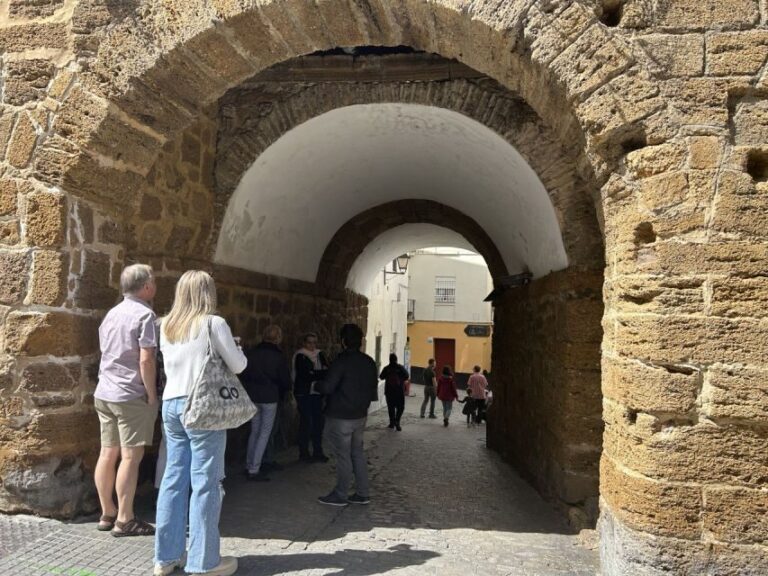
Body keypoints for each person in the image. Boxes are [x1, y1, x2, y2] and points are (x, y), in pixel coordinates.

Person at [153, 270, 246, 576]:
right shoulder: (213, 323)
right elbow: (238, 365)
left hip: (171, 404)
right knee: (206, 482)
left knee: (173, 479)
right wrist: (238, 347)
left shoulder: (166, 325)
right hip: (202, 405)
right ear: (209, 293)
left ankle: (166, 558)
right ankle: (203, 561)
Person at [93, 263, 159, 537]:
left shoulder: (112, 313)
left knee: (107, 453)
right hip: (131, 394)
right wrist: (151, 394)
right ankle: (125, 518)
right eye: (153, 281)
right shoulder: (145, 315)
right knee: (131, 456)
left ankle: (107, 512)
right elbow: (146, 359)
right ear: (146, 286)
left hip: (105, 392)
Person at [316, 324, 378, 507]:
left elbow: (328, 387)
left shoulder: (341, 361)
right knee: (357, 453)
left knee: (343, 455)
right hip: (360, 415)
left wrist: (316, 385)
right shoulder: (369, 361)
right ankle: (363, 492)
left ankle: (340, 494)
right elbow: (372, 387)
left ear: (343, 341)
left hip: (340, 415)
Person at [241, 324, 291, 481]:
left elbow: (244, 373)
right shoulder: (278, 356)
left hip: (253, 395)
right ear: (278, 338)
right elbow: (285, 379)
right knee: (264, 433)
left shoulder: (252, 353)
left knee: (255, 431)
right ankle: (254, 469)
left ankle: (249, 464)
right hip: (270, 397)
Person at [293, 333, 330, 462]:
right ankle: (304, 453)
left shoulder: (320, 354)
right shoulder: (300, 356)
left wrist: (315, 373)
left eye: (314, 342)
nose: (312, 345)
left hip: (317, 394)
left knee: (318, 423)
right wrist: (320, 373)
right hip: (304, 394)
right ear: (304, 343)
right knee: (306, 422)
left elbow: (328, 371)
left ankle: (318, 452)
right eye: (309, 342)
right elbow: (305, 375)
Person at [380, 353, 409, 431]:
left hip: (389, 391)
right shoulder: (400, 367)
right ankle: (397, 421)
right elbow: (407, 376)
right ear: (396, 359)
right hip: (399, 391)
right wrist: (401, 379)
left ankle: (392, 423)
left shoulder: (386, 368)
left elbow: (381, 377)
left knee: (391, 408)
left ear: (389, 360)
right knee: (400, 407)